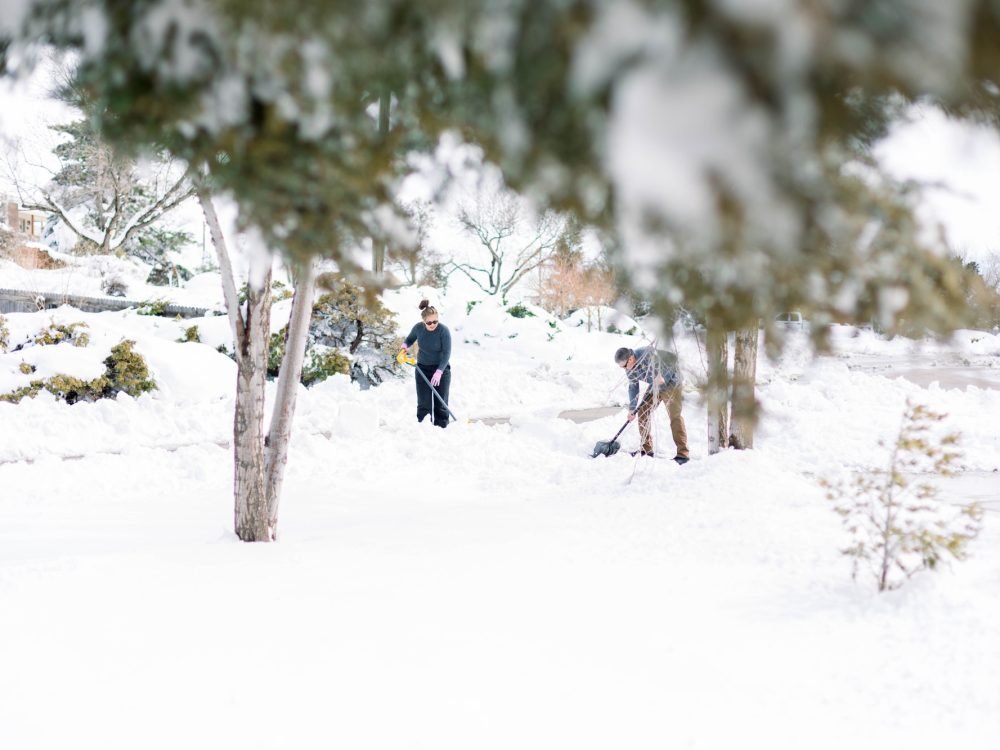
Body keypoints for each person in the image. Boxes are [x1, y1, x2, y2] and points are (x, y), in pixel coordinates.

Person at [615, 345, 689, 464]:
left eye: (624, 366)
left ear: (630, 359)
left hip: (672, 383)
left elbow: (671, 360)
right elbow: (633, 387)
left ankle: (683, 454)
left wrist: (662, 375)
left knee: (674, 416)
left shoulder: (647, 353)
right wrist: (632, 409)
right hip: (655, 386)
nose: (624, 369)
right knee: (643, 411)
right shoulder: (629, 369)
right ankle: (646, 449)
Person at [401, 300, 452, 427]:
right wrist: (404, 348)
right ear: (423, 322)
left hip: (441, 369)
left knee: (441, 403)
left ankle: (442, 428)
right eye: (429, 322)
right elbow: (409, 339)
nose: (433, 324)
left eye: (435, 321)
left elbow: (446, 353)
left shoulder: (443, 331)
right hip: (422, 368)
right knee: (424, 402)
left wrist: (439, 371)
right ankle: (424, 429)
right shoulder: (418, 328)